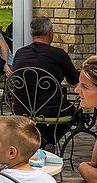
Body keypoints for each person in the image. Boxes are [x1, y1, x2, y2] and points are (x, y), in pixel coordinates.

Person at [10, 16, 80, 146]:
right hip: (51, 110)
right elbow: (74, 79)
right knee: (76, 113)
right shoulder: (58, 54)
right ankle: (47, 140)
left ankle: (39, 140)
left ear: (31, 34)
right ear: (50, 32)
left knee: (40, 115)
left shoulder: (20, 53)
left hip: (21, 108)